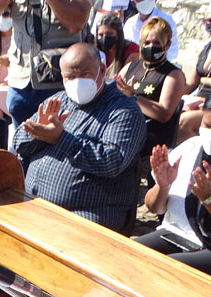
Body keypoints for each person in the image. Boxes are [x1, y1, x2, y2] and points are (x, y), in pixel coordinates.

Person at [13, 43, 146, 233]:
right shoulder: (58, 100)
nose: (77, 82)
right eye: (70, 77)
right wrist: (36, 133)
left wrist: (61, 139)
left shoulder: (124, 111)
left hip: (86, 213)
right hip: (34, 204)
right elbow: (18, 145)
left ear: (101, 70)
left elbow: (112, 161)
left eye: (84, 74)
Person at [0, 0, 93, 128]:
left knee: (62, 144)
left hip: (58, 83)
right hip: (21, 83)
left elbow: (76, 22)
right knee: (23, 144)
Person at [133, 102, 211, 273]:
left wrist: (207, 199)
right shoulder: (192, 147)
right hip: (175, 233)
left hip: (206, 245)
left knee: (166, 270)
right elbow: (154, 207)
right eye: (207, 125)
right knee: (127, 253)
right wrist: (163, 185)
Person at [116, 17, 185, 158]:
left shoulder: (173, 75)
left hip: (148, 135)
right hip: (122, 126)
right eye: (147, 42)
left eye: (156, 43)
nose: (151, 46)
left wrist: (134, 98)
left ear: (167, 45)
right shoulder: (131, 66)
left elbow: (164, 114)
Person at [176, 4, 211, 145]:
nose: (208, 24)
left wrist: (200, 102)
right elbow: (191, 82)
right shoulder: (205, 48)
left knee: (184, 122)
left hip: (208, 104)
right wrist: (178, 96)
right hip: (199, 100)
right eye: (206, 20)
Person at [94, 12, 139, 79]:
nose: (105, 38)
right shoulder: (96, 53)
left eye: (110, 34)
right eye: (101, 35)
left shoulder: (132, 51)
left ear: (118, 35)